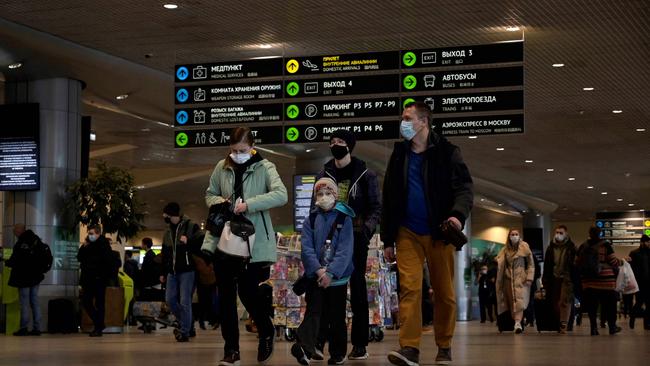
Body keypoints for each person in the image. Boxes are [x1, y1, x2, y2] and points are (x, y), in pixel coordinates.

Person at [381, 101, 473, 365]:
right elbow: (389, 196)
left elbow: (465, 188)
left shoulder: (447, 152)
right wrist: (388, 238)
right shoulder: (399, 154)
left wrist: (457, 215)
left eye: (408, 118)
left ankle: (444, 344)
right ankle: (409, 347)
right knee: (410, 289)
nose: (403, 122)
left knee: (444, 293)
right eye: (403, 118)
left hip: (439, 232)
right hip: (406, 231)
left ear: (423, 121)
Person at [201, 127, 288, 366]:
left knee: (249, 292)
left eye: (242, 150)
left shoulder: (264, 167)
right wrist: (222, 202)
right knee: (226, 298)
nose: (238, 154)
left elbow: (281, 195)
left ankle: (266, 329)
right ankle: (231, 351)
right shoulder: (222, 167)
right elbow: (209, 195)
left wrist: (248, 204)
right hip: (226, 242)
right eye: (234, 150)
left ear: (252, 147)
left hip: (254, 243)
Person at [313, 129, 381, 361]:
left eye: (341, 142)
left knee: (358, 289)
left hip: (356, 235)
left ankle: (360, 343)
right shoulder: (324, 172)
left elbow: (375, 207)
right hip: (330, 237)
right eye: (332, 142)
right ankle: (326, 342)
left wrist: (367, 230)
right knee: (329, 289)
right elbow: (317, 203)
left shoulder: (365, 174)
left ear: (350, 145)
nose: (336, 145)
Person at [291, 177, 355, 366]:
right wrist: (319, 271)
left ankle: (338, 352)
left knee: (336, 317)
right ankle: (306, 348)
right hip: (316, 277)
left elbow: (345, 250)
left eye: (328, 193)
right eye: (320, 193)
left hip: (338, 279)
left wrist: (331, 273)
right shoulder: (311, 219)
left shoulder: (345, 218)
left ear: (335, 195)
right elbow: (307, 248)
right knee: (314, 313)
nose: (324, 196)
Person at [161, 202, 202, 342]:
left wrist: (189, 241)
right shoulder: (167, 231)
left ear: (174, 215)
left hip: (188, 270)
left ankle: (185, 331)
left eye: (166, 215)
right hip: (172, 272)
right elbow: (164, 253)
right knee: (170, 300)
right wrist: (163, 272)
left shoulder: (191, 226)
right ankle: (188, 324)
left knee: (185, 301)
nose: (165, 217)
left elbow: (203, 243)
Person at [575, 226, 622, 336]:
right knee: (610, 305)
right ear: (600, 233)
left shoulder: (583, 246)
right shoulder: (606, 245)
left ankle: (593, 329)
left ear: (589, 233)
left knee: (592, 307)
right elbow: (613, 261)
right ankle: (612, 327)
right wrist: (621, 262)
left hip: (588, 282)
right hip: (606, 282)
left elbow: (576, 262)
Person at [5, 224, 46, 336]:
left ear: (20, 230)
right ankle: (37, 328)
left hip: (24, 277)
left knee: (24, 303)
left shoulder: (21, 243)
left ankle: (24, 328)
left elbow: (16, 260)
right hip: (36, 277)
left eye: (15, 230)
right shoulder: (36, 240)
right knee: (34, 301)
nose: (14, 232)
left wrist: (7, 262)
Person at [77, 224, 114, 337]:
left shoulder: (103, 245)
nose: (90, 235)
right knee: (86, 302)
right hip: (88, 279)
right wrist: (84, 246)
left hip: (99, 279)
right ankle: (99, 323)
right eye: (89, 233)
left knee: (99, 303)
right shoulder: (88, 244)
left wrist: (103, 275)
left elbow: (107, 262)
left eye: (92, 233)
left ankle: (98, 327)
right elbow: (79, 257)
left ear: (98, 233)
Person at [496, 229, 535, 334]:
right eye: (512, 234)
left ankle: (518, 323)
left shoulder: (524, 247)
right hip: (508, 280)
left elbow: (531, 263)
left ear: (520, 236)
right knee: (511, 302)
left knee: (519, 301)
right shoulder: (505, 250)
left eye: (516, 234)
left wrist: (529, 277)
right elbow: (500, 264)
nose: (514, 236)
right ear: (509, 236)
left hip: (520, 279)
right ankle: (515, 322)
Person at [542, 225, 579, 334]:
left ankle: (564, 324)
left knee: (565, 301)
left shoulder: (571, 248)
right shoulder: (551, 247)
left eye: (561, 233)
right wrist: (545, 279)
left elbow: (575, 265)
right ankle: (558, 322)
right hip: (553, 277)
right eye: (557, 232)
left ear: (566, 234)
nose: (558, 235)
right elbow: (547, 264)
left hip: (567, 278)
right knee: (555, 302)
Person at [628, 234, 650, 330]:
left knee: (649, 304)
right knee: (639, 303)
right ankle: (632, 317)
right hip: (639, 282)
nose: (649, 243)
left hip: (649, 282)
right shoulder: (634, 253)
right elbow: (630, 268)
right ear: (642, 242)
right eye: (647, 242)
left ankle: (647, 324)